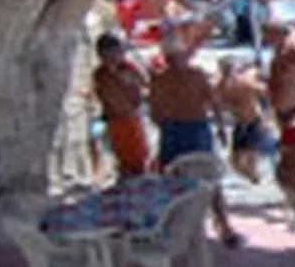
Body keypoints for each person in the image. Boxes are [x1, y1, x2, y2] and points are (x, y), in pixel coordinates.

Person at [149, 35, 240, 245]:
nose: (177, 61)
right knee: (170, 176)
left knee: (209, 176)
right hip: (175, 129)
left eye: (178, 56)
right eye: (172, 58)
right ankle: (171, 222)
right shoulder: (161, 79)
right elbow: (155, 110)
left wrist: (220, 127)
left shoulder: (195, 76)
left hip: (195, 128)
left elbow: (213, 102)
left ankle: (223, 224)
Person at [91, 33, 153, 179]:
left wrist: (133, 84)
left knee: (139, 157)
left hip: (132, 118)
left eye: (118, 53)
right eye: (109, 55)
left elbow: (144, 84)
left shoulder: (128, 68)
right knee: (123, 156)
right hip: (115, 121)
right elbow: (106, 94)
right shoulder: (101, 74)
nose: (115, 58)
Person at [214, 56, 271, 183]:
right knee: (235, 163)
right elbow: (216, 109)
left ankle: (259, 182)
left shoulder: (245, 83)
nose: (229, 76)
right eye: (226, 71)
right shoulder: (219, 88)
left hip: (254, 122)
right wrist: (220, 128)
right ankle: (256, 179)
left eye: (231, 71)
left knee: (250, 160)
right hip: (240, 123)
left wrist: (267, 117)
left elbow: (269, 94)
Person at [265, 20, 295, 128]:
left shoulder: (293, 45)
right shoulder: (279, 47)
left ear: (277, 33)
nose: (267, 37)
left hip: (294, 100)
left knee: (294, 133)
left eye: (269, 33)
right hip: (281, 102)